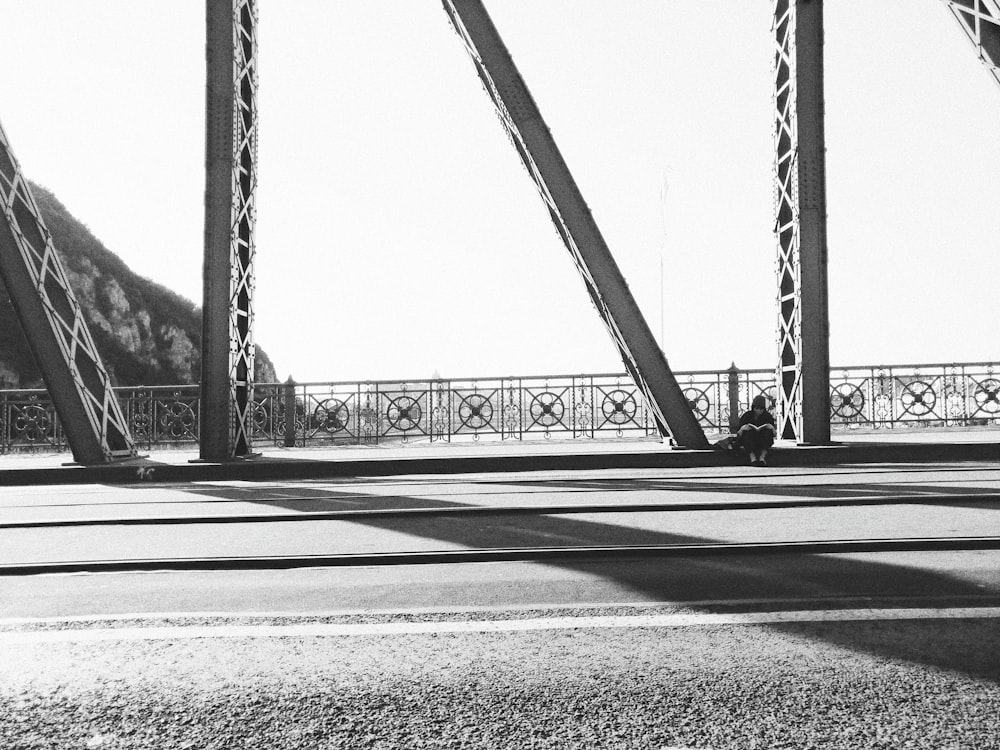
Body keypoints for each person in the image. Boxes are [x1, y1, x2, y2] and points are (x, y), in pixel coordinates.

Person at [736, 395, 776, 466]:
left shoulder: (767, 416)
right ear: (753, 407)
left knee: (767, 432)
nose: (758, 411)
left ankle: (762, 458)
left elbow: (774, 434)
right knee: (747, 433)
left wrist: (772, 428)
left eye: (761, 409)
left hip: (762, 438)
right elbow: (738, 434)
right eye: (756, 408)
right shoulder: (747, 415)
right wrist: (742, 428)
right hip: (750, 439)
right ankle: (753, 458)